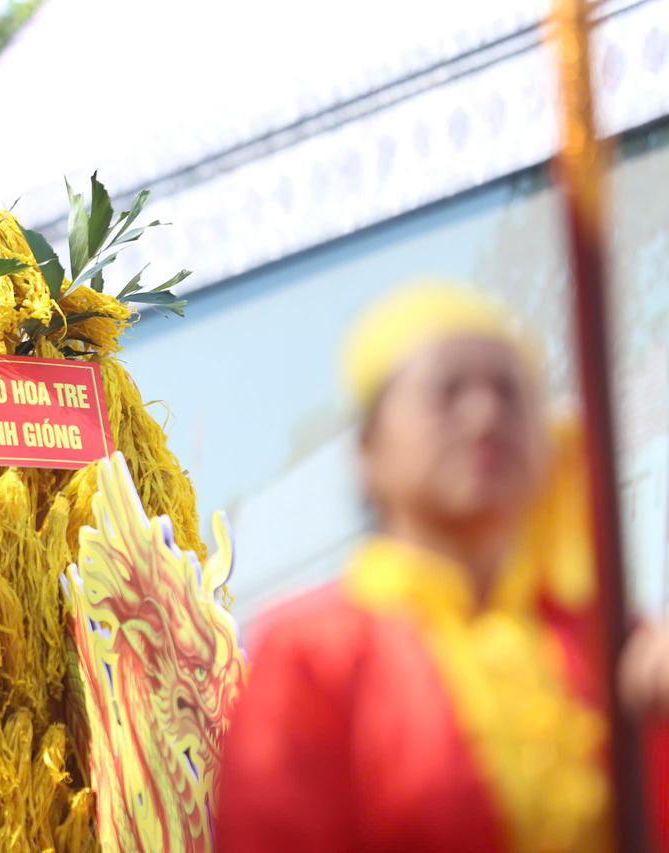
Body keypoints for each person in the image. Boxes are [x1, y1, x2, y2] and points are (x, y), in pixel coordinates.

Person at [214, 282, 669, 853]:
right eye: (448, 391)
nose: (484, 415)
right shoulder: (314, 654)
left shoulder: (608, 640)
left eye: (509, 392)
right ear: (368, 452)